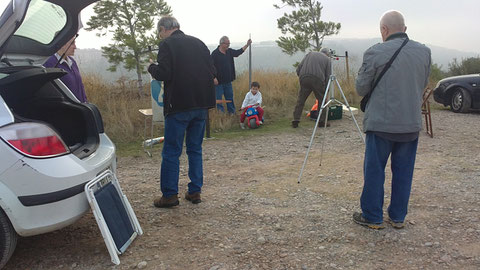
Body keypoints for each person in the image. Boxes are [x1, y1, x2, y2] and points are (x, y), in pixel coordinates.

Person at [353, 10, 431, 229]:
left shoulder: (375, 52)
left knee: (375, 170)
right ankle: (398, 217)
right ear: (404, 30)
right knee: (404, 172)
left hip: (381, 124)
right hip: (410, 124)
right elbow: (422, 82)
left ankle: (372, 217)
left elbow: (361, 88)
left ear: (384, 30)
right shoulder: (424, 52)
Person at [148, 16, 216, 208]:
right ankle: (195, 191)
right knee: (195, 149)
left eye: (159, 32)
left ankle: (169, 195)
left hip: (179, 106)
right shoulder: (199, 43)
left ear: (163, 29)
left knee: (171, 151)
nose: (160, 35)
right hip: (201, 105)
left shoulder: (167, 44)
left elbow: (164, 74)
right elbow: (212, 71)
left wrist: (151, 67)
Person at [292, 48, 331, 128]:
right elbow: (328, 76)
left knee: (301, 100)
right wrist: (326, 90)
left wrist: (302, 77)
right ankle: (321, 122)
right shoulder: (327, 59)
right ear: (327, 54)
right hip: (318, 79)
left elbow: (298, 69)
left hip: (304, 77)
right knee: (322, 100)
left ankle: (295, 120)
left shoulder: (309, 54)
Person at [211, 36, 252, 114]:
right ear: (222, 44)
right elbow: (210, 66)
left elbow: (238, 52)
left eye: (229, 43)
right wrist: (213, 77)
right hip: (218, 82)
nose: (228, 45)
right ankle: (221, 115)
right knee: (219, 100)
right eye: (227, 43)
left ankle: (232, 113)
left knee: (229, 98)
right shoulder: (214, 54)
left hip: (228, 81)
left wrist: (247, 45)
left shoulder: (229, 51)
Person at [43, 34, 87, 103]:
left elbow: (80, 86)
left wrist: (85, 102)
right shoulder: (48, 64)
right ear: (61, 44)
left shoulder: (72, 62)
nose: (75, 47)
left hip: (80, 108)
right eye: (72, 43)